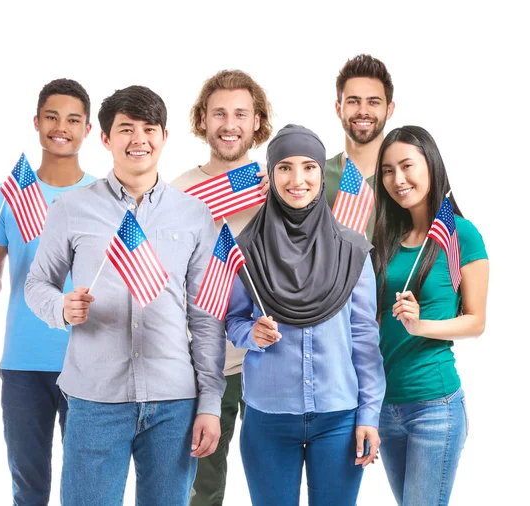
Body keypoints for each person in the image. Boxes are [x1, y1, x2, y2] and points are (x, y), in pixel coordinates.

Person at [24, 85, 226, 506]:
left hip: (174, 402)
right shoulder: (71, 208)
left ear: (164, 137)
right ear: (105, 139)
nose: (139, 139)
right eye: (126, 129)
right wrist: (61, 306)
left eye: (149, 129)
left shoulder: (194, 215)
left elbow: (206, 316)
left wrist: (209, 401)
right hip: (95, 399)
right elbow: (36, 284)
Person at [225, 124, 386, 506]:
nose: (298, 179)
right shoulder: (244, 249)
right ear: (271, 174)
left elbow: (364, 340)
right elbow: (232, 322)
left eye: (309, 167)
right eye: (284, 168)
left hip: (340, 418)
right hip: (268, 416)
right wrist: (252, 334)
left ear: (321, 173)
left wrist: (369, 415)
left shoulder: (353, 251)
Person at [0, 78, 94, 506]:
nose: (62, 127)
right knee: (29, 487)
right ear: (37, 122)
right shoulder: (7, 196)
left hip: (89, 362)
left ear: (88, 129)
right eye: (53, 117)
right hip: (24, 362)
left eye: (73, 119)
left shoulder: (103, 197)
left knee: (87, 488)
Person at [371, 125, 489, 506]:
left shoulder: (461, 235)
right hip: (386, 407)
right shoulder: (386, 238)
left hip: (434, 405)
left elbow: (476, 321)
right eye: (388, 170)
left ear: (431, 165)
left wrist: (420, 325)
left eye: (407, 166)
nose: (398, 179)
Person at [172, 69, 272, 506]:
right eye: (218, 114)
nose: (229, 124)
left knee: (273, 482)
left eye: (240, 114)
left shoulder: (282, 181)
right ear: (203, 120)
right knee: (204, 485)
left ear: (256, 122)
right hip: (207, 362)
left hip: (275, 356)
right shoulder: (177, 193)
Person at [326, 54, 395, 238]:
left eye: (373, 102)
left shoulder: (405, 178)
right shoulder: (315, 177)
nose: (363, 111)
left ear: (389, 110)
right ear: (338, 108)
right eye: (353, 101)